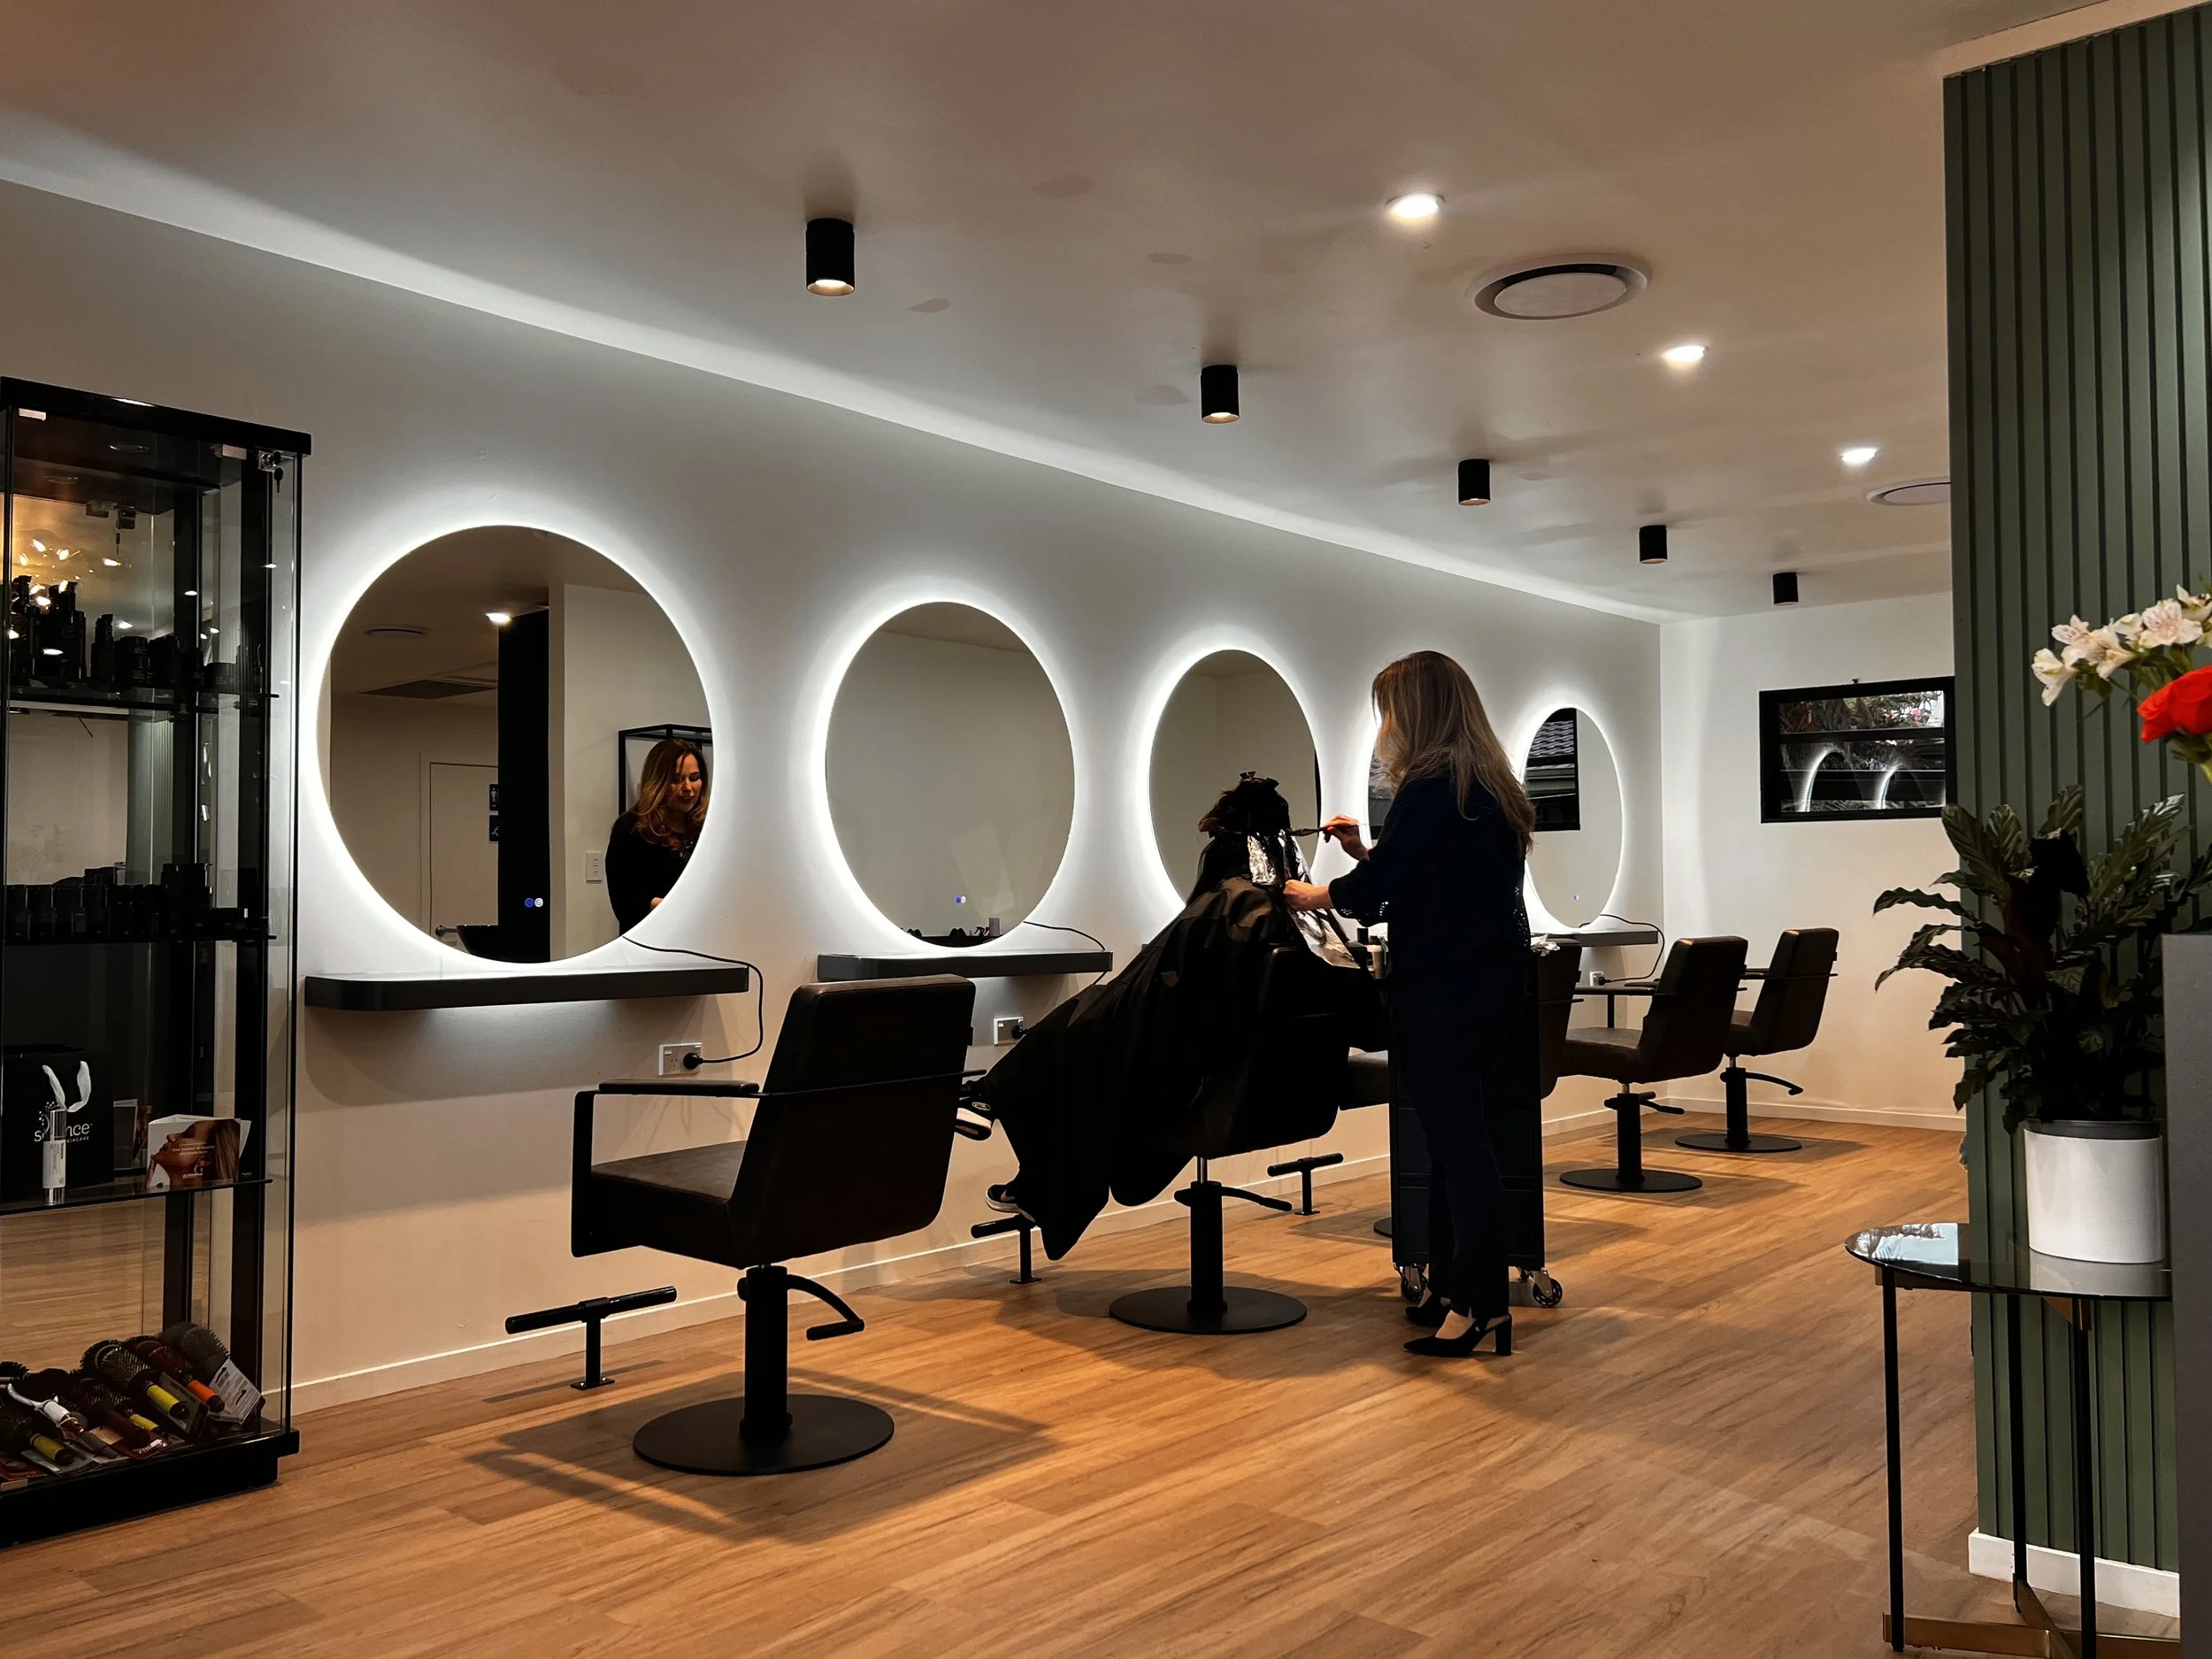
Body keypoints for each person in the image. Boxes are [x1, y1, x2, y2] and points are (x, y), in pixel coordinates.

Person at [1285, 651, 1535, 1359]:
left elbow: (1379, 897)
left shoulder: (1429, 786)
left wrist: (1317, 893)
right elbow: (1430, 882)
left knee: (1459, 1146)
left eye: (1392, 709)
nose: (1387, 726)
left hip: (1443, 989)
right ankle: (1456, 1291)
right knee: (1465, 1139)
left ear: (1418, 711)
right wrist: (1369, 851)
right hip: (1495, 983)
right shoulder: (1490, 785)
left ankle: (1482, 1304)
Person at [606, 738, 707, 933]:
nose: (688, 788)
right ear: (659, 782)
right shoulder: (630, 829)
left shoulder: (707, 827)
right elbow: (625, 901)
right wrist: (670, 907)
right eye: (676, 780)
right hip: (650, 943)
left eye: (694, 778)